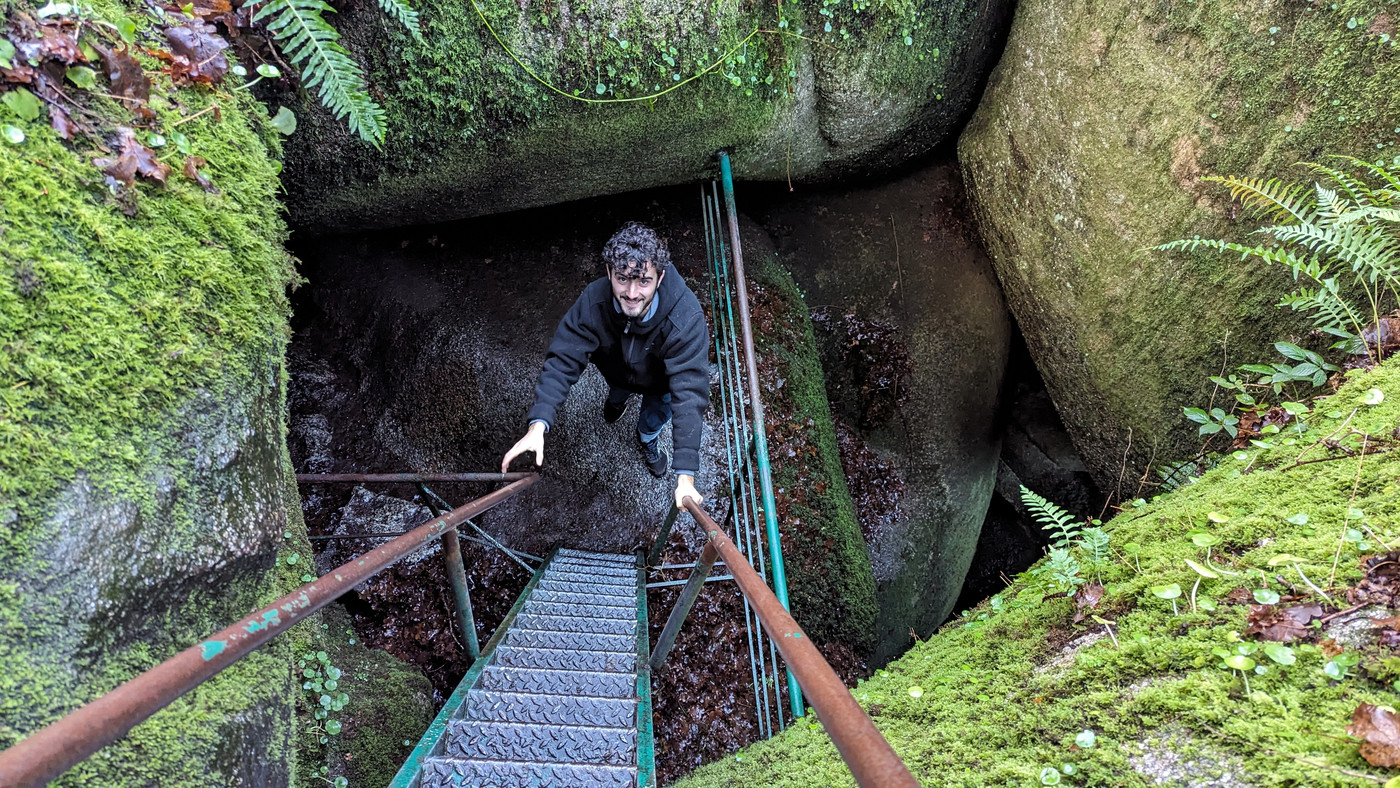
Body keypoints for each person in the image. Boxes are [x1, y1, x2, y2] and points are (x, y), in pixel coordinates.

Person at [501, 222, 709, 509]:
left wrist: (685, 474)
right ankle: (616, 402)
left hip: (661, 384)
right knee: (617, 392)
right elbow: (563, 359)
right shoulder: (593, 301)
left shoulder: (685, 319)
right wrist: (538, 425)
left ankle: (647, 440)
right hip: (617, 374)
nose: (632, 293)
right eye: (623, 279)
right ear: (609, 272)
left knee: (653, 420)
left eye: (643, 281)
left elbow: (689, 393)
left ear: (660, 278)